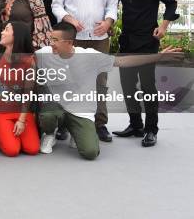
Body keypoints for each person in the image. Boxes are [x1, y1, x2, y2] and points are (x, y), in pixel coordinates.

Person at [35, 22, 181, 160]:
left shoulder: (89, 56)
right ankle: (49, 134)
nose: (51, 43)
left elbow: (123, 61)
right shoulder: (43, 54)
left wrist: (159, 56)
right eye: (51, 39)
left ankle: (76, 132)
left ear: (69, 42)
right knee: (48, 114)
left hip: (80, 112)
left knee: (91, 152)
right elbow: (21, 59)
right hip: (56, 107)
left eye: (55, 40)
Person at [51, 0, 118, 142]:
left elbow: (112, 5)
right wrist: (69, 19)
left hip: (99, 39)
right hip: (73, 39)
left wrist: (108, 22)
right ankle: (64, 124)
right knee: (69, 81)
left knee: (100, 82)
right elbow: (56, 5)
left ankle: (100, 124)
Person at [112, 0, 179, 147]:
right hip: (127, 40)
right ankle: (135, 125)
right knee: (127, 86)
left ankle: (151, 129)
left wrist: (164, 25)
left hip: (148, 40)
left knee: (148, 86)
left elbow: (171, 2)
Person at [0, 22, 40, 157]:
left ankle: (8, 130)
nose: (2, 32)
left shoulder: (29, 61)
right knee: (12, 150)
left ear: (17, 36)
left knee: (32, 149)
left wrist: (21, 120)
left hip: (21, 110)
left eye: (6, 30)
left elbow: (28, 93)